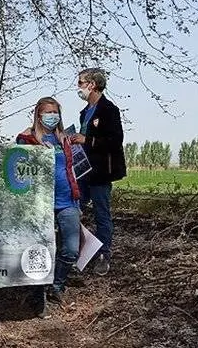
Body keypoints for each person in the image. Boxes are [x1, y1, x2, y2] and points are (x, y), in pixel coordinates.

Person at [16, 97, 83, 312]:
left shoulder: (64, 139)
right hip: (40, 203)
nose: (52, 116)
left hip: (67, 200)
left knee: (71, 250)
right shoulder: (26, 139)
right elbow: (17, 168)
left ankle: (57, 285)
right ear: (38, 115)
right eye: (48, 112)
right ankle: (37, 294)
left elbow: (71, 168)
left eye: (55, 112)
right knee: (40, 250)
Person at [70, 68, 126, 276]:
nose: (79, 87)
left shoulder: (109, 110)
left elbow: (115, 141)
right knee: (74, 210)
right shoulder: (85, 111)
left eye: (80, 82)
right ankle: (77, 251)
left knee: (102, 213)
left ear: (92, 84)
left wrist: (87, 140)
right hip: (83, 171)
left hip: (101, 172)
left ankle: (103, 254)